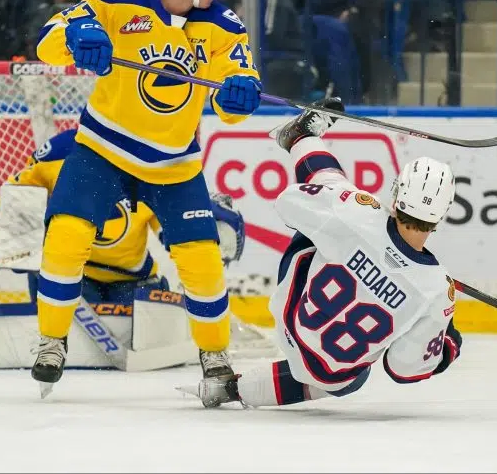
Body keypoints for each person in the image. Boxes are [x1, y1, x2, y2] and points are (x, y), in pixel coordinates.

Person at [33, 0, 262, 405]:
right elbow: (47, 44)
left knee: (202, 259)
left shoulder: (226, 26)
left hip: (174, 163)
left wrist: (240, 93)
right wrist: (78, 33)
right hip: (103, 148)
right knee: (66, 237)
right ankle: (52, 341)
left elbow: (237, 94)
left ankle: (215, 356)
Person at [181, 98, 463, 408]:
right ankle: (236, 390)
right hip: (331, 375)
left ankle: (301, 138)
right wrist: (446, 341)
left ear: (396, 193)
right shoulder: (437, 291)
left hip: (289, 317)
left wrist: (348, 204)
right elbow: (402, 368)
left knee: (331, 208)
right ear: (442, 214)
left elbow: (288, 204)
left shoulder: (361, 214)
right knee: (348, 375)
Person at [0, 129, 246, 305]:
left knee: (152, 314)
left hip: (133, 281)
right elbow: (16, 194)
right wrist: (22, 237)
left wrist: (197, 235)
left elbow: (170, 228)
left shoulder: (157, 162)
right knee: (57, 294)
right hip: (74, 274)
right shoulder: (62, 151)